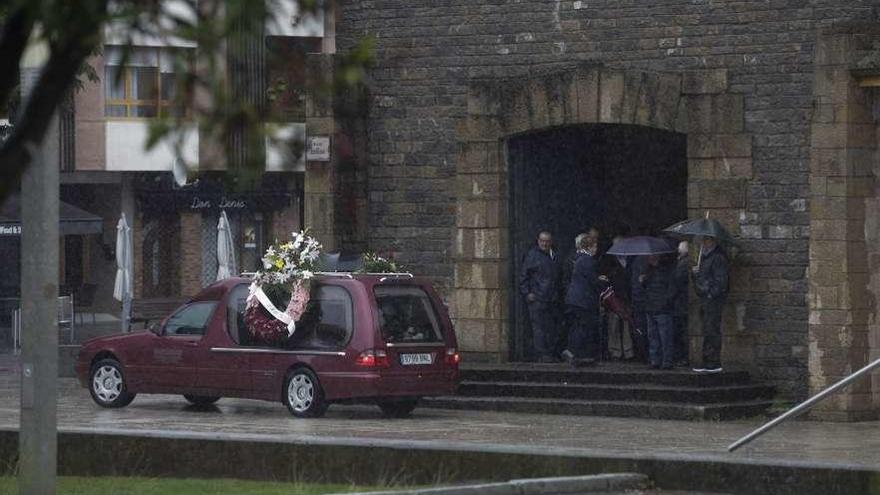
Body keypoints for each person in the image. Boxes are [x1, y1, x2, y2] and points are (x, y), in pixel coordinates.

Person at [519, 231, 562, 363]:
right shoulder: (532, 255)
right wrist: (527, 293)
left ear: (551, 242)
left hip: (552, 298)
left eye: (547, 241)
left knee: (550, 328)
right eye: (542, 241)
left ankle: (550, 353)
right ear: (538, 241)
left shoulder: (554, 255)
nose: (544, 243)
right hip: (538, 298)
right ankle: (542, 355)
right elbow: (523, 276)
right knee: (539, 328)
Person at [561, 233, 603, 367]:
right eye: (595, 246)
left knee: (577, 326)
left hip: (574, 299)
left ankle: (575, 352)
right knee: (583, 327)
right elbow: (592, 281)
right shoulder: (587, 260)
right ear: (589, 246)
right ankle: (575, 352)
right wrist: (601, 281)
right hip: (583, 300)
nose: (596, 249)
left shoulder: (579, 259)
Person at [692, 236, 729, 373]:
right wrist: (695, 274)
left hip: (712, 299)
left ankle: (713, 361)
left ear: (712, 241)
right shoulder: (705, 258)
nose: (703, 243)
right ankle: (707, 359)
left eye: (706, 240)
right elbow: (700, 282)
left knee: (712, 329)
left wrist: (710, 293)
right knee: (707, 329)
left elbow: (721, 281)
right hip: (705, 299)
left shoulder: (717, 258)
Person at [640, 254, 675, 369]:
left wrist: (666, 302)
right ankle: (656, 360)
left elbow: (672, 289)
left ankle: (666, 361)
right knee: (653, 336)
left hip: (661, 308)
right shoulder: (648, 271)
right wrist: (643, 281)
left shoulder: (666, 271)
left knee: (664, 337)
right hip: (651, 307)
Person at [672, 241, 690, 367]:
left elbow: (677, 282)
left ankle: (682, 357)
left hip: (680, 303)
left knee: (681, 332)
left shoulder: (683, 264)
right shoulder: (682, 262)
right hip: (680, 303)